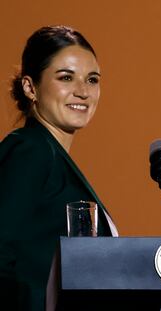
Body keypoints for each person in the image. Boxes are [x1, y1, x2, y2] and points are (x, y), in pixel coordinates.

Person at [0, 26, 118, 310]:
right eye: (66, 77)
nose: (83, 92)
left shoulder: (50, 154)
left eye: (92, 80)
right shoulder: (31, 150)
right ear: (30, 87)